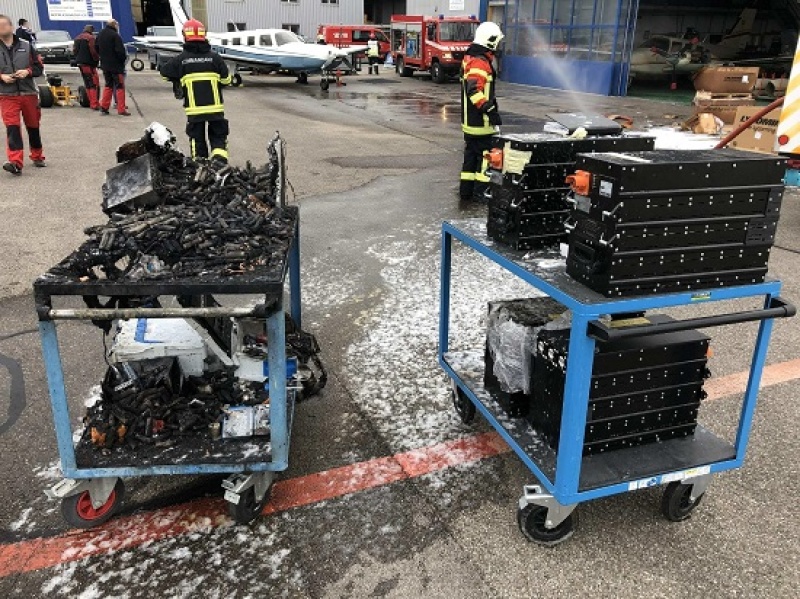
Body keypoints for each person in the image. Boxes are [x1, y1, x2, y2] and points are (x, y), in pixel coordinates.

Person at [159, 19, 232, 163]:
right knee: (218, 138)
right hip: (215, 109)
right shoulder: (215, 58)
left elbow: (164, 74)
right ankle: (219, 165)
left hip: (194, 110)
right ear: (204, 35)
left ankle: (200, 167)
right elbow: (226, 80)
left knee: (197, 140)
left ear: (185, 36)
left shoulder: (181, 59)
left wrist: (179, 79)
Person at [459, 21, 504, 202]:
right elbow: (473, 90)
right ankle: (481, 195)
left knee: (470, 160)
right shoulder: (479, 62)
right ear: (490, 41)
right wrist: (490, 109)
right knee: (485, 159)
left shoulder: (471, 58)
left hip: (470, 123)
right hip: (481, 124)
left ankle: (466, 192)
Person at [0, 14, 45, 175]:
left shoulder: (27, 46)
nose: (2, 27)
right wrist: (1, 76)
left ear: (11, 26)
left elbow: (39, 68)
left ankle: (37, 155)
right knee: (12, 128)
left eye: (4, 24)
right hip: (7, 95)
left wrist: (27, 72)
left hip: (28, 93)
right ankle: (15, 162)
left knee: (33, 126)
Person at [96, 19, 130, 116]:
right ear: (114, 25)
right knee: (120, 86)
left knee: (108, 85)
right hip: (116, 66)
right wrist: (122, 61)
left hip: (105, 65)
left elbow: (96, 47)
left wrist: (102, 57)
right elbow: (120, 51)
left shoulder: (100, 34)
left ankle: (104, 108)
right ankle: (121, 109)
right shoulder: (115, 36)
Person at [73, 25, 100, 110]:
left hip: (80, 64)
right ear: (91, 30)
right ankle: (94, 104)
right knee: (93, 83)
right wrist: (97, 60)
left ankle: (91, 102)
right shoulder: (90, 38)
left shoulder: (77, 38)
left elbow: (74, 50)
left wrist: (77, 58)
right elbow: (93, 51)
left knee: (87, 83)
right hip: (89, 64)